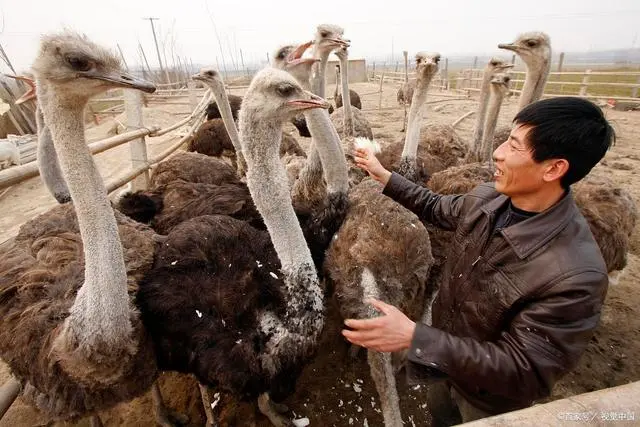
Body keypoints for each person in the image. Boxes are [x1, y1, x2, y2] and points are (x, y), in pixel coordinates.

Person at [342, 97, 614, 425]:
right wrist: (384, 176)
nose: (497, 153)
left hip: (487, 401)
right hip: (443, 366)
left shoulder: (575, 275)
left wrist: (417, 338)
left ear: (554, 168)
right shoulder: (491, 198)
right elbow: (436, 207)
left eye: (514, 146)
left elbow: (526, 370)